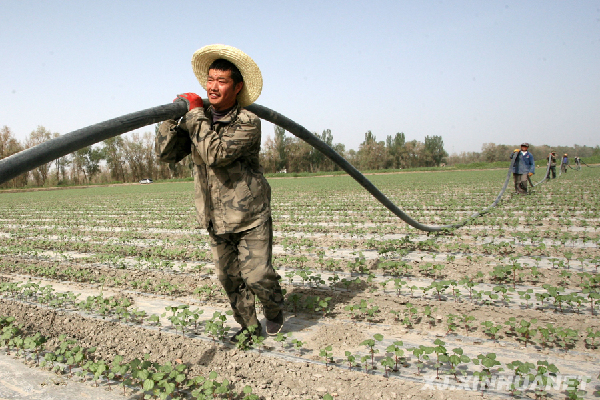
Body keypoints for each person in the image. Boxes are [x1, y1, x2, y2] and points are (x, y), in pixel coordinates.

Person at [155, 44, 284, 340]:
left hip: (249, 214)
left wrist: (195, 115)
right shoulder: (195, 121)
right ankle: (249, 327)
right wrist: (171, 119)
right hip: (215, 216)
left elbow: (216, 153)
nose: (213, 87)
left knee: (258, 276)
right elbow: (165, 154)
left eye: (222, 81)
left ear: (237, 87)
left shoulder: (247, 122)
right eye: (210, 80)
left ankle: (275, 308)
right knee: (230, 279)